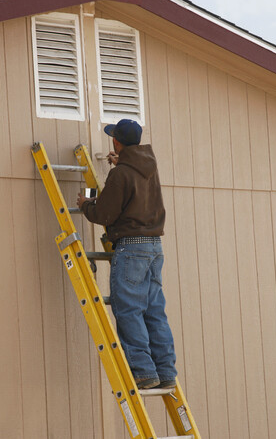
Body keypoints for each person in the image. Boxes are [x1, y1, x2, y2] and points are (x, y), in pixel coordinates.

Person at [76, 118, 177, 390]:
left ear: (116, 142)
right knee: (154, 311)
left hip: (131, 248)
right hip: (154, 247)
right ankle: (165, 371)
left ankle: (143, 372)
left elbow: (105, 213)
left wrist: (86, 204)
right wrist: (119, 164)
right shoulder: (148, 166)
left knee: (129, 309)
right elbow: (131, 184)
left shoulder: (120, 173)